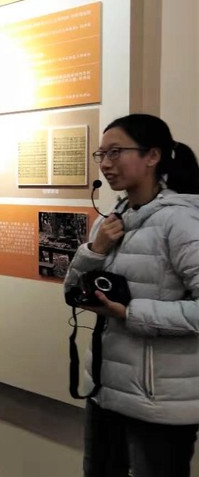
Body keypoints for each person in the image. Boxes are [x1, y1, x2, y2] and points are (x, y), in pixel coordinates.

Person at [64, 114, 199, 477]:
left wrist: (129, 312)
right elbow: (71, 291)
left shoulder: (181, 222)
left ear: (152, 155)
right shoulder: (109, 221)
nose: (106, 164)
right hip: (106, 389)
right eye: (101, 154)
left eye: (116, 152)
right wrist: (95, 249)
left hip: (159, 402)